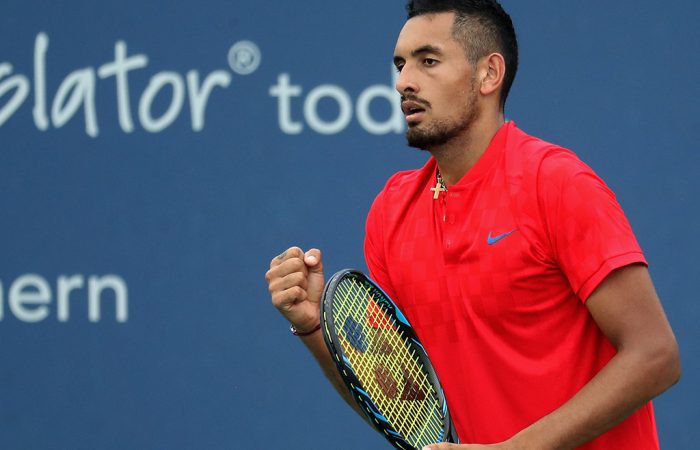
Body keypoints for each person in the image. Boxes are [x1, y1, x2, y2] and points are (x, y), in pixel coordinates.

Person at [265, 0, 681, 448]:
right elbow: (403, 402)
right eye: (400, 64)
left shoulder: (557, 183)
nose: (404, 81)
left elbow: (655, 355)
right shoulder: (390, 211)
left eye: (428, 61)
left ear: (489, 74)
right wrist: (313, 329)